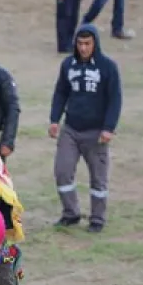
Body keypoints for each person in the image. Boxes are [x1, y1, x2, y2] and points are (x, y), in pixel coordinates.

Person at [48, 24, 122, 234]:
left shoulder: (108, 67)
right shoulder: (68, 65)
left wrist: (109, 128)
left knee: (98, 177)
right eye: (80, 43)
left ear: (95, 43)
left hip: (96, 132)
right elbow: (60, 92)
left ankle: (97, 218)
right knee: (62, 171)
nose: (83, 48)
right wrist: (54, 119)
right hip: (71, 129)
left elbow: (115, 99)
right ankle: (70, 213)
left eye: (87, 43)